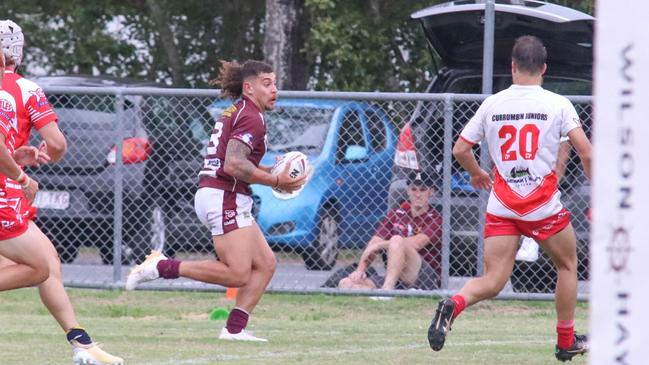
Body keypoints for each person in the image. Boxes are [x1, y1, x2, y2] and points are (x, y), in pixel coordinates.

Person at [427, 35, 592, 362]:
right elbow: (586, 153)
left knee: (493, 280)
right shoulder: (558, 104)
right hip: (542, 205)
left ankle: (453, 304)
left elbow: (460, 149)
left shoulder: (493, 104)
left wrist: (476, 173)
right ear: (544, 68)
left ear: (513, 67)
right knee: (567, 265)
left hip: (503, 204)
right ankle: (565, 341)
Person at [125, 60, 307, 342]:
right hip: (224, 196)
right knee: (237, 273)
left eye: (275, 83)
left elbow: (236, 163)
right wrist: (275, 181)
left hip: (225, 194)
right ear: (249, 88)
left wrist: (275, 172)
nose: (275, 89)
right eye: (267, 83)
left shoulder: (243, 112)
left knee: (266, 263)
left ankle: (234, 329)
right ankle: (160, 267)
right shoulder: (251, 117)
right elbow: (234, 164)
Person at [0, 20, 124, 365]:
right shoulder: (24, 89)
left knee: (48, 261)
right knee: (38, 267)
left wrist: (17, 156)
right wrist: (26, 176)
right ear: (17, 53)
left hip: (8, 185)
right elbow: (56, 143)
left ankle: (81, 343)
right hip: (7, 192)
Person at [338, 170, 442, 291]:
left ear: (431, 192)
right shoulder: (397, 214)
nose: (418, 194)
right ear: (408, 191)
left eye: (423, 189)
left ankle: (387, 291)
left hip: (422, 276)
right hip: (395, 276)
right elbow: (373, 243)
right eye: (414, 189)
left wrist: (383, 245)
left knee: (397, 240)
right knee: (345, 283)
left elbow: (417, 243)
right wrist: (360, 270)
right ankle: (384, 293)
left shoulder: (436, 218)